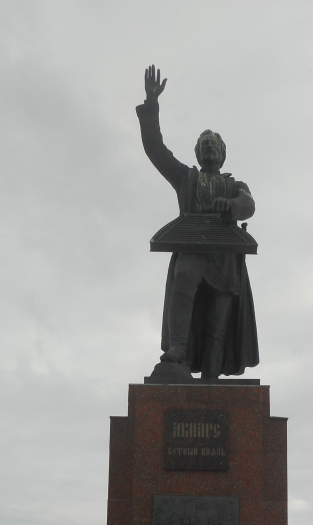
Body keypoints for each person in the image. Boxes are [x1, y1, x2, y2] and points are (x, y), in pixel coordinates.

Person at [137, 64, 259, 380]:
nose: (209, 148)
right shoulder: (186, 178)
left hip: (225, 261)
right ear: (197, 152)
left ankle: (211, 381)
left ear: (222, 154)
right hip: (192, 251)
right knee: (183, 283)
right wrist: (152, 106)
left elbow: (249, 205)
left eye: (214, 145)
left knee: (218, 325)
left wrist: (230, 205)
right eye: (203, 145)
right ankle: (176, 352)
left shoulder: (236, 185)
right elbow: (155, 150)